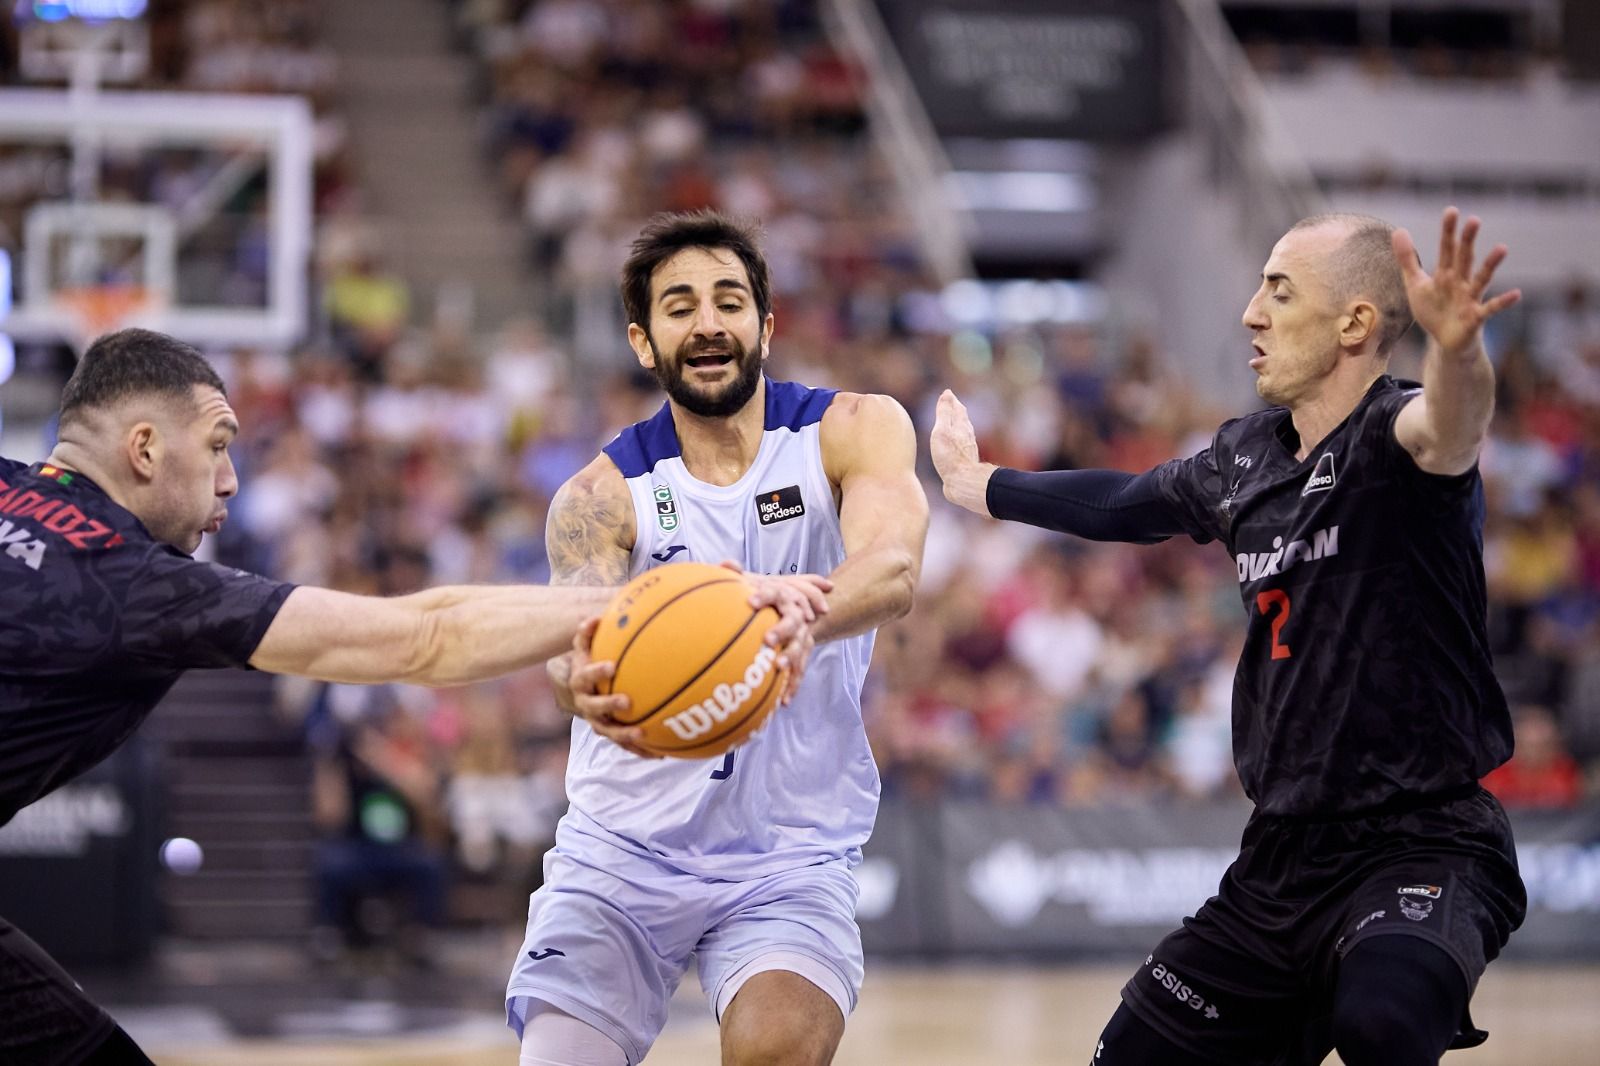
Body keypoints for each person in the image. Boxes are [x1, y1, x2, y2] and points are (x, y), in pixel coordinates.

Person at [0, 327, 824, 1066]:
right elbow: (425, 637)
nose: (230, 481)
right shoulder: (138, 584)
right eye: (217, 446)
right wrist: (671, 600)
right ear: (143, 450)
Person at [933, 209, 1527, 1066]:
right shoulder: (1243, 459)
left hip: (1422, 843)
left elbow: (1451, 423)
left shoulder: (1397, 439)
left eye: (1279, 291)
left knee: (1383, 1022)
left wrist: (1460, 353)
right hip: (1281, 862)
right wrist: (978, 483)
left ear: (1355, 323)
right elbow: (1122, 504)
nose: (1251, 312)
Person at [504, 210, 928, 1066]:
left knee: (776, 1053)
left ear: (765, 326)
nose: (707, 324)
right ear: (641, 340)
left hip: (789, 854)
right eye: (679, 306)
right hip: (623, 852)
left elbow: (891, 571)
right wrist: (579, 679)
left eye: (729, 301)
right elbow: (566, 645)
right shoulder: (601, 493)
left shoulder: (850, 428)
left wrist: (775, 617)